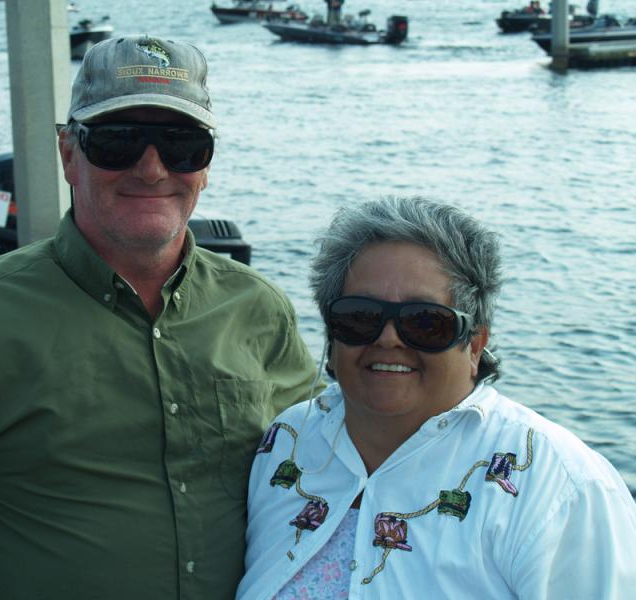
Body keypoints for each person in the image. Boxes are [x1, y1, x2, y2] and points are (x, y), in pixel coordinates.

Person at [0, 35, 321, 599]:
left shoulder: (259, 310)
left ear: (207, 164)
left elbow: (320, 476)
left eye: (183, 145)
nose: (151, 168)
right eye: (117, 141)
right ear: (68, 153)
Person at [237, 197, 636, 599]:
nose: (388, 339)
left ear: (475, 345)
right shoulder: (287, 441)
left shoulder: (559, 485)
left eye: (425, 321)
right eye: (360, 316)